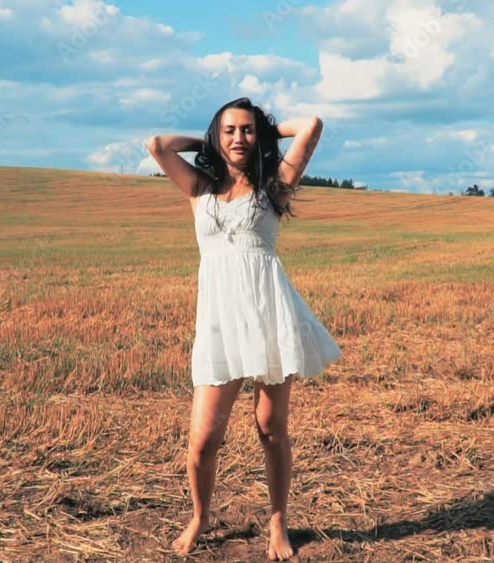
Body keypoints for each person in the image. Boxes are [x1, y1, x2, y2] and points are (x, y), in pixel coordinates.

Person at [145, 97, 343, 560]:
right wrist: (208, 141)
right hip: (219, 324)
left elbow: (312, 125)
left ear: (260, 137)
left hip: (269, 318)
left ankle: (278, 522)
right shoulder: (199, 187)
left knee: (271, 430)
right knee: (202, 441)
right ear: (217, 136)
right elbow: (157, 144)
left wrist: (267, 133)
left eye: (248, 130)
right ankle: (200, 517)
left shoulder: (275, 187)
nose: (240, 138)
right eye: (230, 130)